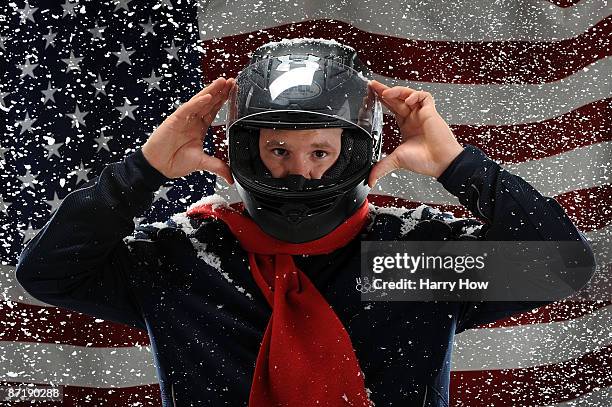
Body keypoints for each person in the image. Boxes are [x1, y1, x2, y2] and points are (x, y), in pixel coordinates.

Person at [16, 39, 595, 407]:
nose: (300, 174)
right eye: (278, 151)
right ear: (246, 149)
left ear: (352, 151)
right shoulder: (184, 257)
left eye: (320, 152)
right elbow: (49, 274)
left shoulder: (407, 260)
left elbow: (561, 266)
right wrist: (142, 170)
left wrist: (456, 164)